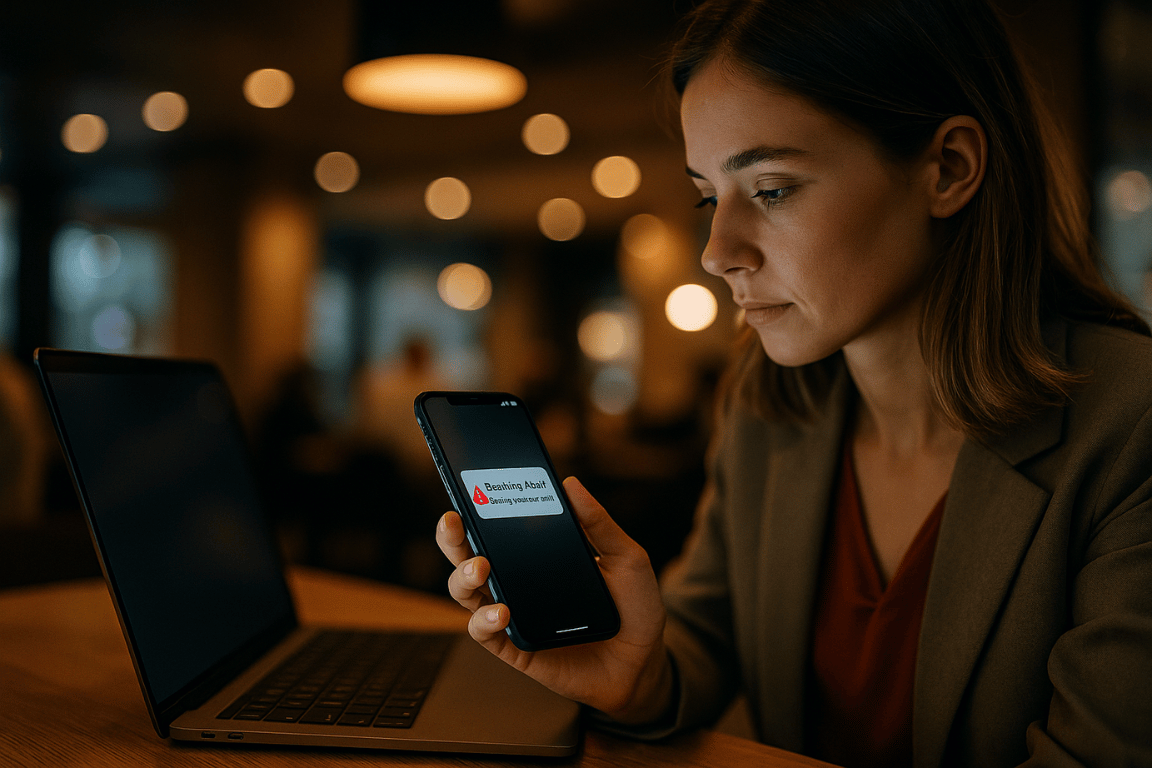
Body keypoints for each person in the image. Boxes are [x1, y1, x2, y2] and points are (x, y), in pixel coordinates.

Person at [436, 0, 1152, 764]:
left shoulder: (1129, 422)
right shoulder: (768, 407)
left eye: (772, 189)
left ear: (948, 169)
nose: (715, 252)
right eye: (709, 196)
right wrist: (633, 675)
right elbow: (703, 644)